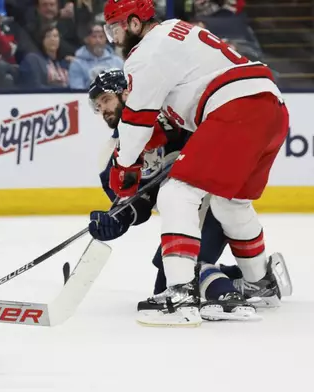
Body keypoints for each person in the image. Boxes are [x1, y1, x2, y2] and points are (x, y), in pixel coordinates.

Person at [101, 3, 291, 326]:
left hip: (235, 106)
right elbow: (168, 116)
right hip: (270, 105)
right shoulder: (176, 31)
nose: (113, 38)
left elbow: (135, 123)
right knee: (231, 204)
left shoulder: (145, 52)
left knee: (176, 194)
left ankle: (181, 297)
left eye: (115, 28)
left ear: (134, 23)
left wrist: (124, 170)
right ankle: (260, 283)